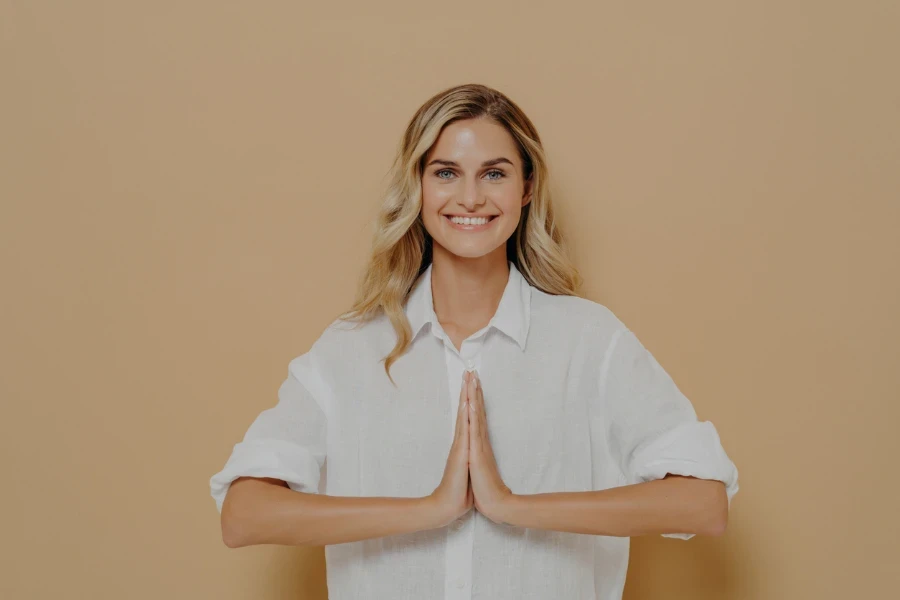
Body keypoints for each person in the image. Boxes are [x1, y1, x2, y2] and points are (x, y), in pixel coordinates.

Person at [209, 83, 739, 600]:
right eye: (445, 172)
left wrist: (511, 505)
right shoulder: (349, 349)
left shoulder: (590, 342)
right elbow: (243, 514)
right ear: (417, 185)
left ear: (526, 188)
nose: (469, 197)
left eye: (494, 173)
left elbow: (703, 504)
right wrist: (433, 508)